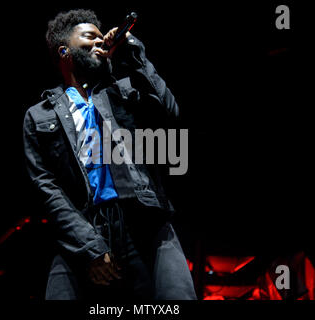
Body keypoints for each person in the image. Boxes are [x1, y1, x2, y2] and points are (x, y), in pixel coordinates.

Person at [23, 9, 196, 300]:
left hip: (145, 222)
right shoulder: (39, 116)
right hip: (81, 230)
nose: (100, 43)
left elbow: (170, 115)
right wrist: (91, 248)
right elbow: (46, 188)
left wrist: (133, 53)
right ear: (65, 51)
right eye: (90, 38)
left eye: (103, 38)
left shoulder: (124, 90)